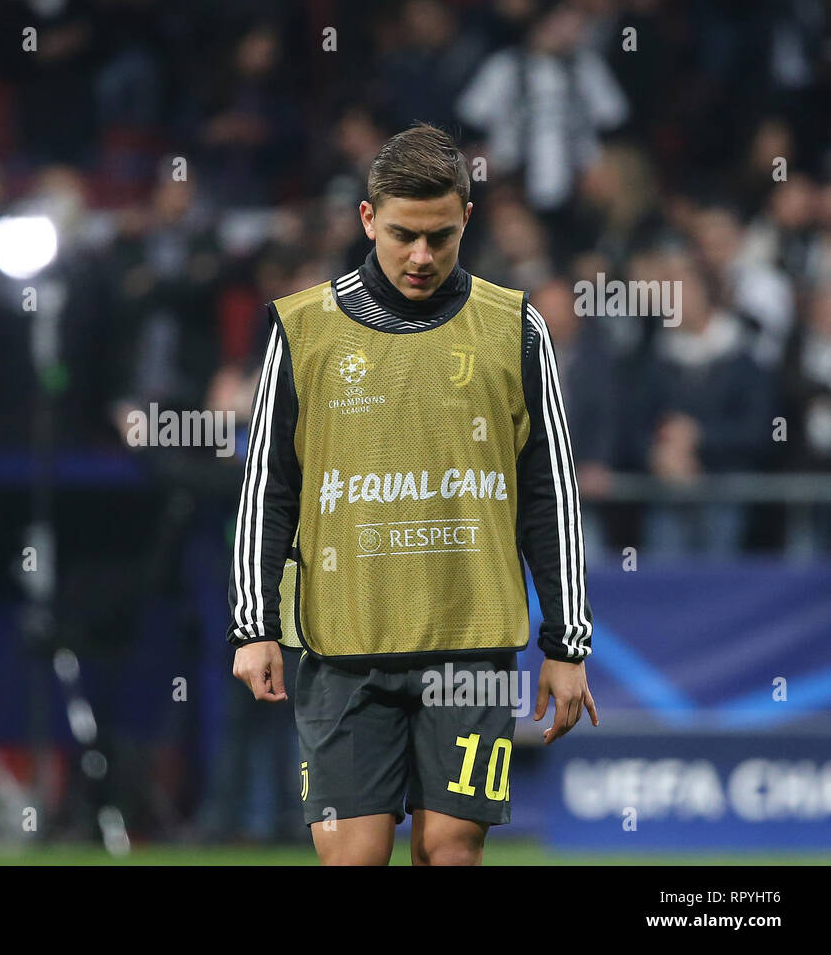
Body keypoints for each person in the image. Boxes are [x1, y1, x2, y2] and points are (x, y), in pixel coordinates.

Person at [226, 124, 597, 866]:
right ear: (368, 220)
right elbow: (268, 488)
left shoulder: (514, 326)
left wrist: (567, 643)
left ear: (466, 217)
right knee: (352, 857)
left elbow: (548, 491)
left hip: (470, 647)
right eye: (402, 235)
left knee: (449, 853)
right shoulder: (303, 329)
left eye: (439, 236)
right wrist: (252, 625)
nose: (421, 256)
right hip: (343, 644)